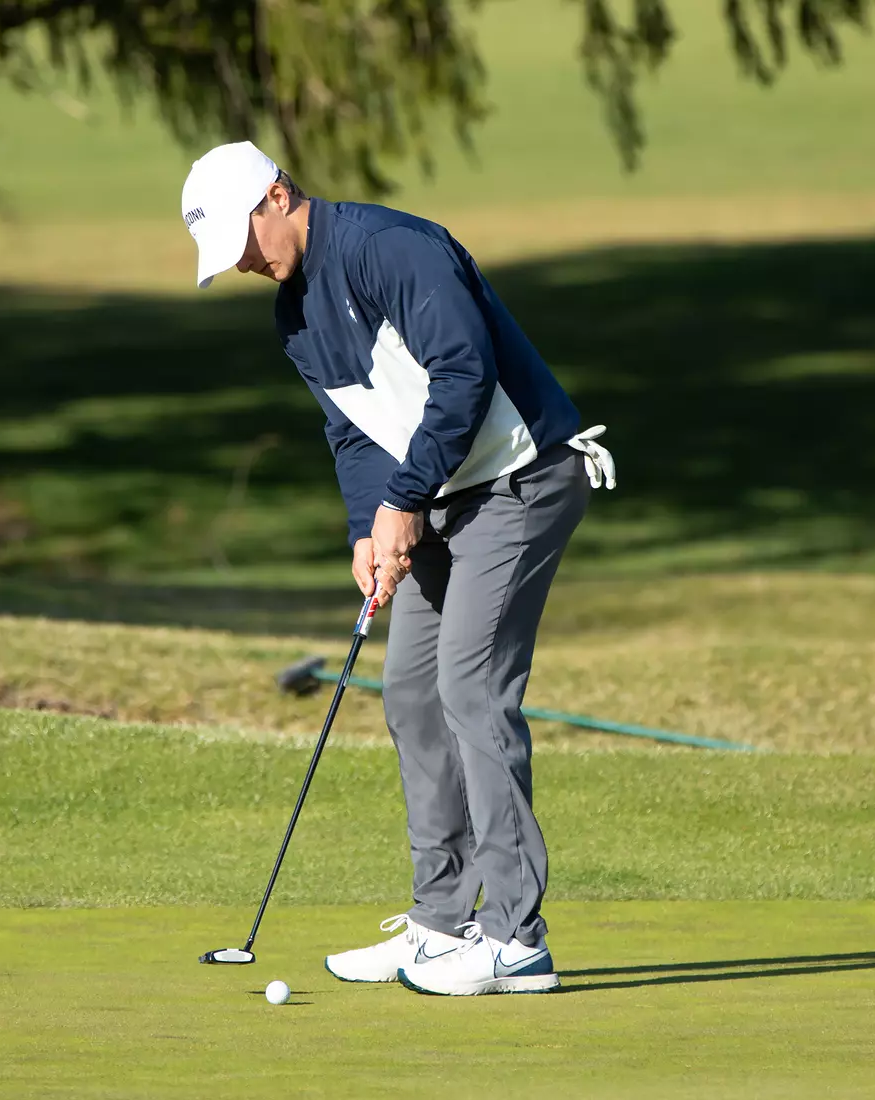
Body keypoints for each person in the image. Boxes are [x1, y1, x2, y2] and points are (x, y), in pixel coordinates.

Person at [180, 141, 615, 996]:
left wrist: (404, 499)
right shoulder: (293, 317)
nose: (242, 261)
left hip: (523, 476)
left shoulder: (393, 249)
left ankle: (516, 938)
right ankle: (441, 923)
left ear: (277, 194)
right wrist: (364, 527)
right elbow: (353, 432)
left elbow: (465, 373)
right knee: (412, 692)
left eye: (243, 238)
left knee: (470, 687)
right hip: (441, 497)